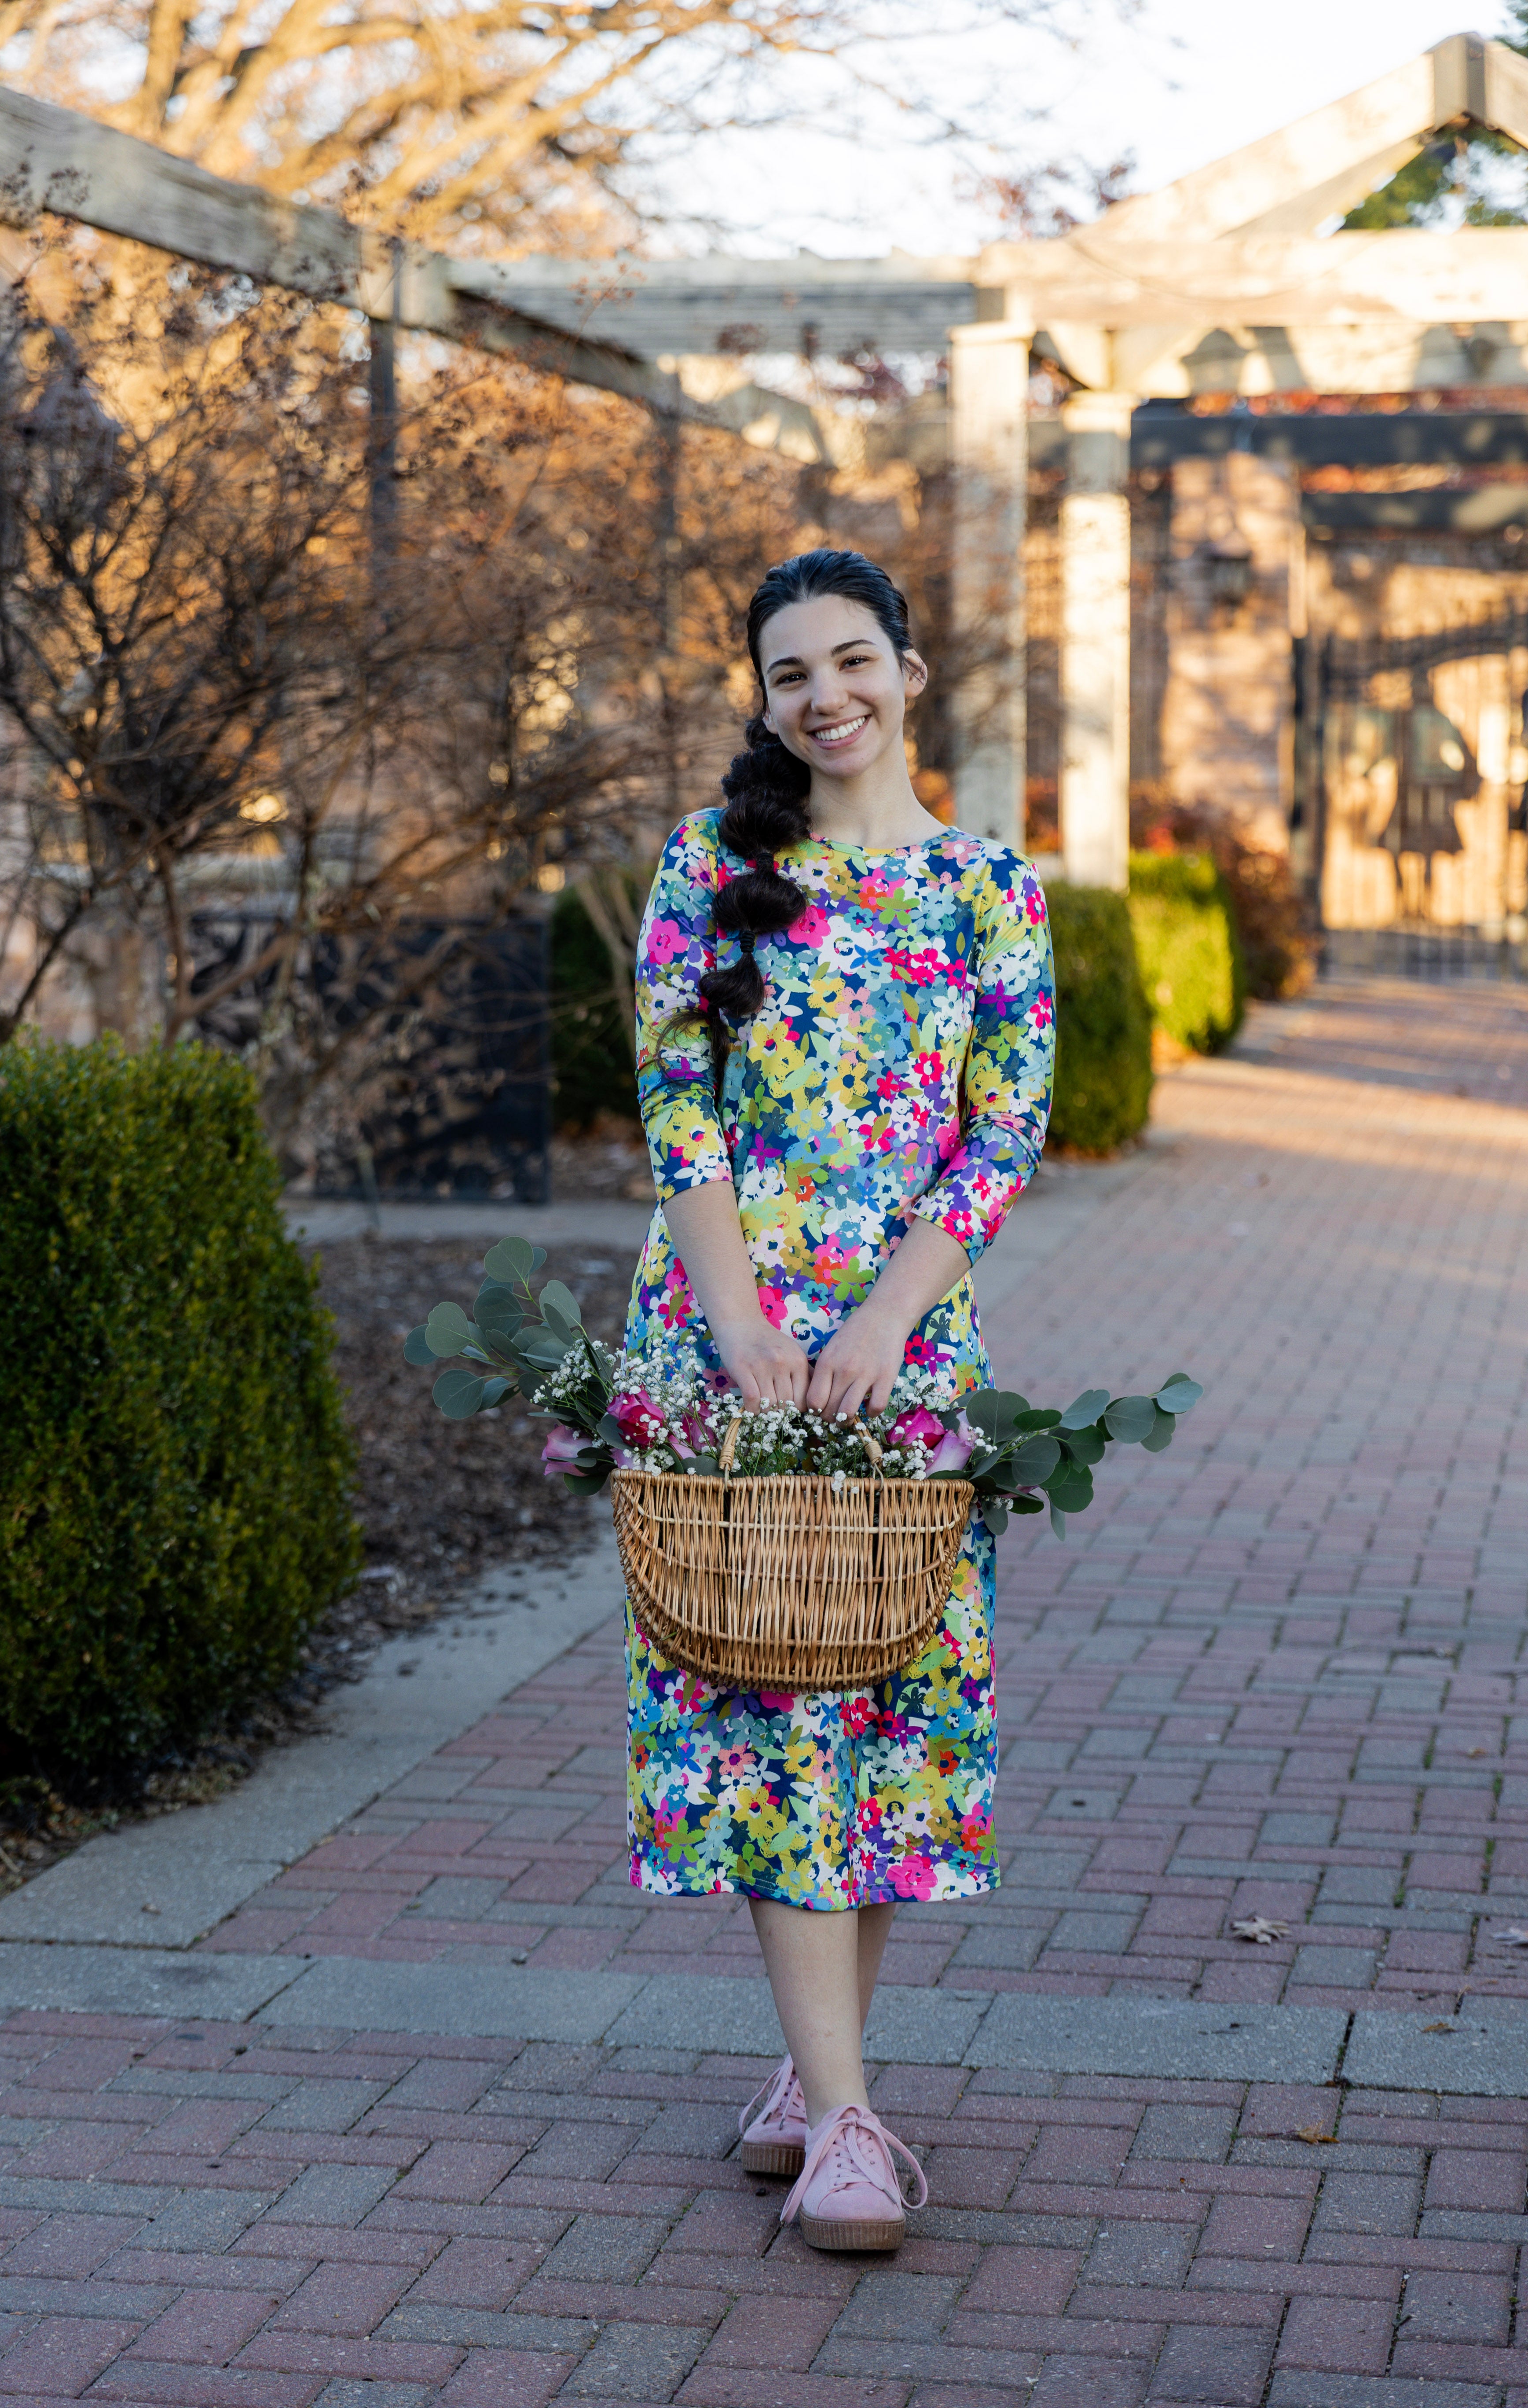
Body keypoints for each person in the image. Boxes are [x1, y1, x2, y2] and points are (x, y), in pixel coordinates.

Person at [625, 547, 1055, 2251]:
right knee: (776, 1705)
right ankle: (855, 2127)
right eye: (792, 671)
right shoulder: (709, 869)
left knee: (878, 1712)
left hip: (908, 1356)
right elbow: (678, 1108)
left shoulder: (984, 885)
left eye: (853, 659)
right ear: (764, 695)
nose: (827, 696)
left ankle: (820, 2078)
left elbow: (1002, 1127)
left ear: (910, 669)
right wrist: (741, 1326)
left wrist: (883, 1318)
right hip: (725, 1350)